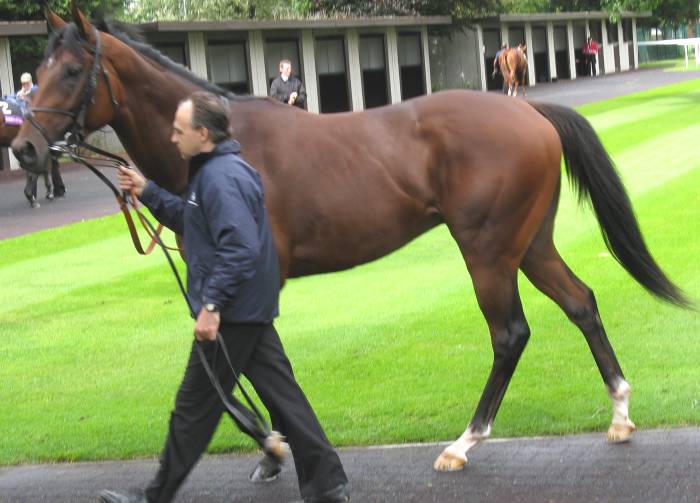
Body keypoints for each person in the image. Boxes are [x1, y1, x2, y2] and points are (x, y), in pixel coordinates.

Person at [99, 91, 349, 503]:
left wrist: (212, 305)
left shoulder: (220, 177)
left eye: (179, 131)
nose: (172, 137)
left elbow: (239, 246)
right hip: (247, 310)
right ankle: (327, 483)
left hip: (231, 314)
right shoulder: (215, 172)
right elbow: (193, 222)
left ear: (203, 134)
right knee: (284, 398)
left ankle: (154, 497)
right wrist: (147, 191)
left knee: (192, 408)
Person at [14, 73, 66, 207]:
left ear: (30, 82)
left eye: (26, 83)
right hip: (30, 128)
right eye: (23, 83)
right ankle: (36, 192)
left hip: (41, 126)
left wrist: (26, 98)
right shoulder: (20, 92)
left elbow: (40, 105)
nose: (24, 85)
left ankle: (57, 188)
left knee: (52, 159)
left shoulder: (37, 90)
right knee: (34, 159)